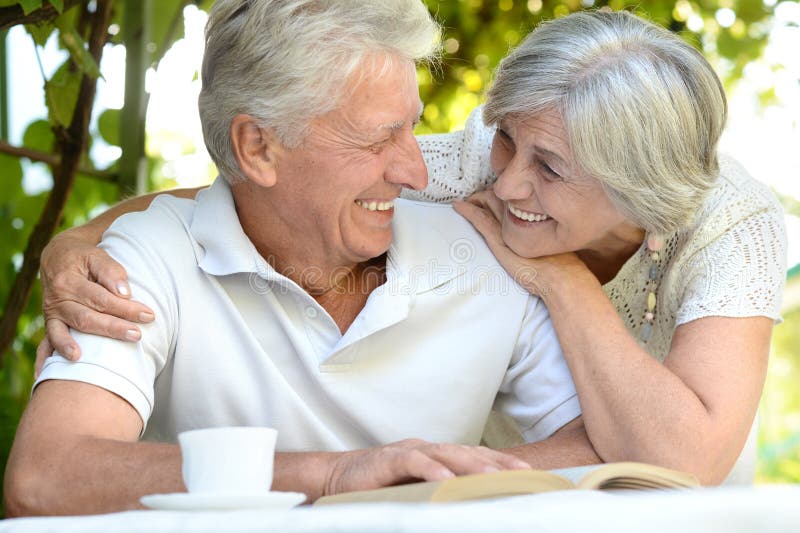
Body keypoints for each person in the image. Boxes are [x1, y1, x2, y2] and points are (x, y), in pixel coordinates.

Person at [20, 6, 787, 496]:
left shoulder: (725, 227)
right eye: (504, 139)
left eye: (547, 169)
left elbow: (671, 462)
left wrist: (561, 284)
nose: (499, 178)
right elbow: (250, 189)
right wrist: (79, 241)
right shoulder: (474, 177)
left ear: (636, 197)